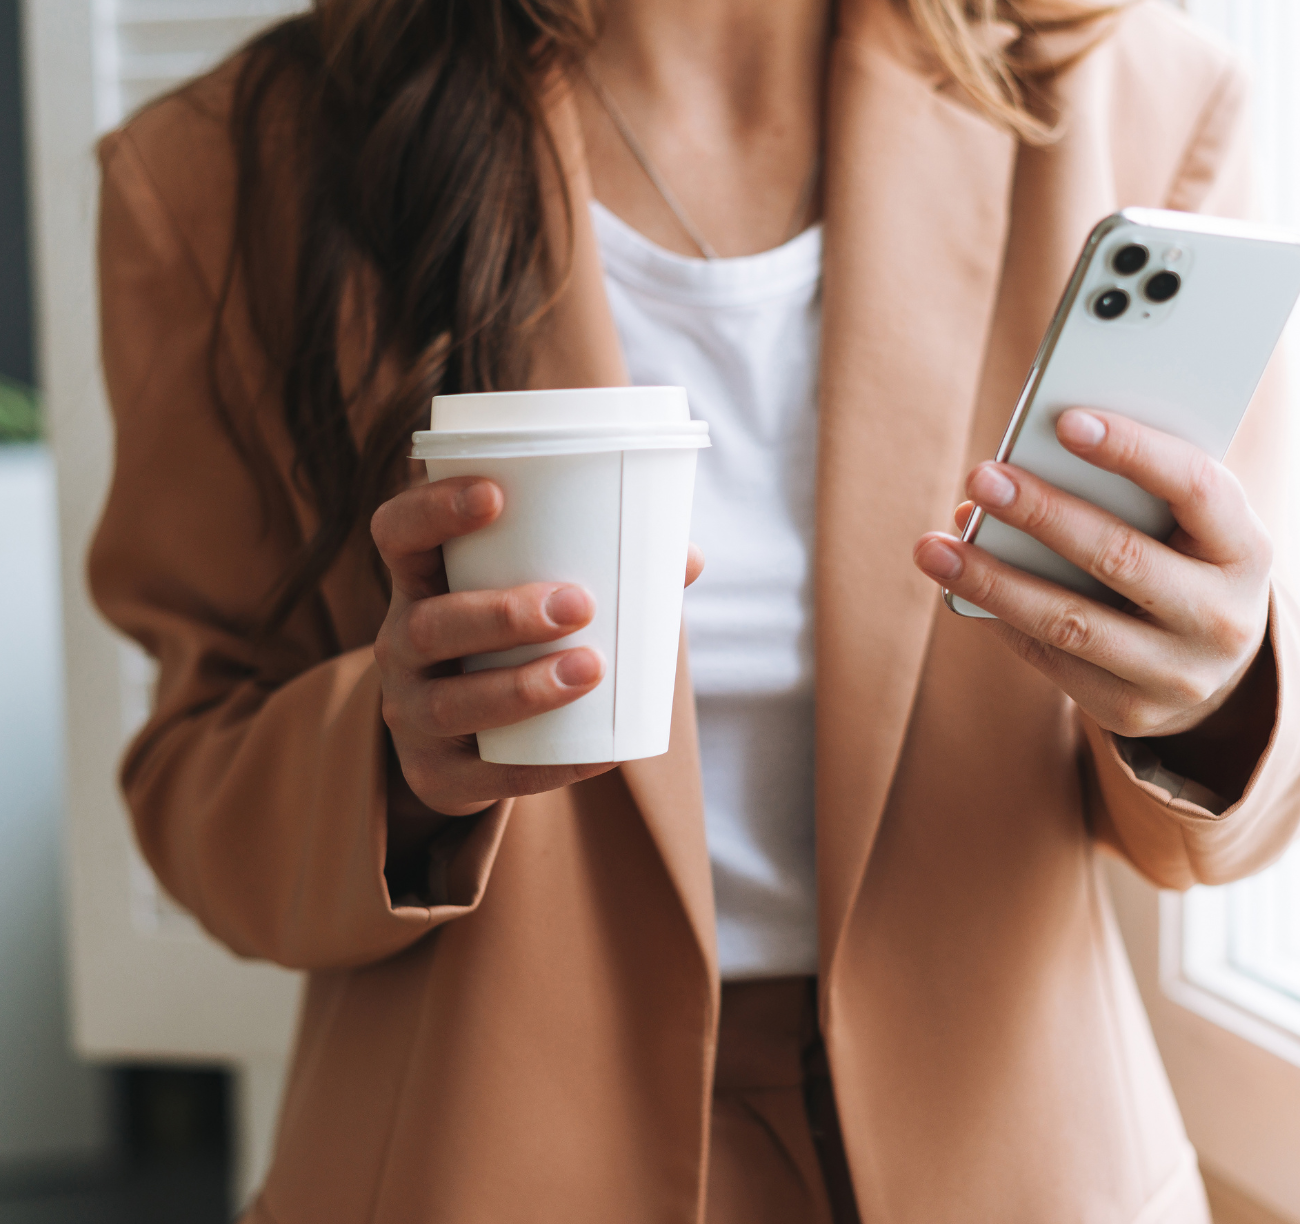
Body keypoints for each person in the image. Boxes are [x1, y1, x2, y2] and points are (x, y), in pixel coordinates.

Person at [91, 0, 1300, 1220]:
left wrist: (1210, 692)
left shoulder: (1137, 102)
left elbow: (1223, 817)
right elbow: (195, 780)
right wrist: (393, 760)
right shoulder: (225, 171)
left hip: (1014, 1161)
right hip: (474, 1161)